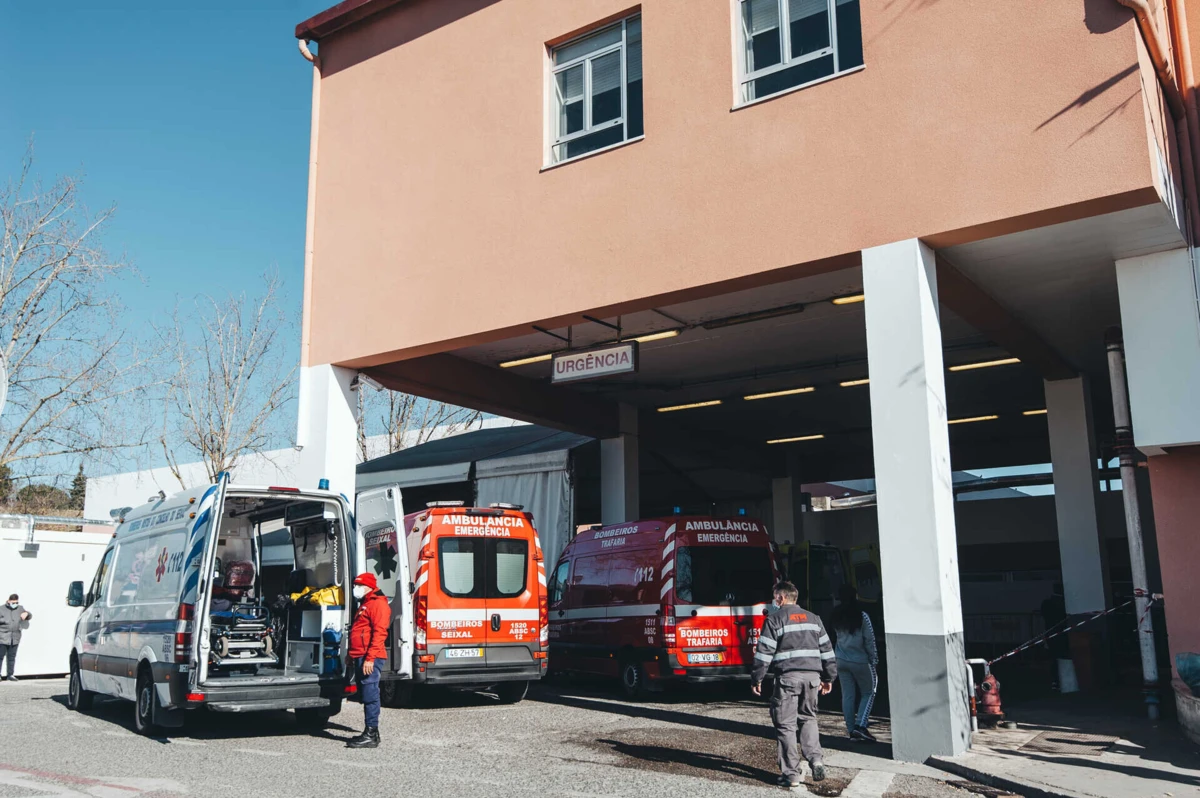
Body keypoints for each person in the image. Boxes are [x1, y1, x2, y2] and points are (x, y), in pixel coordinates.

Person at [751, 581, 836, 789]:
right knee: (808, 718)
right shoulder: (814, 619)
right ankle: (816, 759)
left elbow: (764, 653)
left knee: (786, 725)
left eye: (775, 597)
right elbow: (827, 651)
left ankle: (792, 775)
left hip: (787, 679)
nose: (774, 601)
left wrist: (757, 678)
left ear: (781, 598)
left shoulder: (774, 620)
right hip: (812, 678)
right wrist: (829, 677)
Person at [346, 573, 390, 749]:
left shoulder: (377, 604)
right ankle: (371, 732)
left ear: (368, 586)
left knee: (370, 693)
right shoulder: (366, 603)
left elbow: (380, 633)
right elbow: (359, 631)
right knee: (365, 693)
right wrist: (351, 654)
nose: (355, 588)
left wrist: (370, 658)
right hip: (360, 655)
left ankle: (371, 733)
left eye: (358, 585)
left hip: (370, 656)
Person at [830, 584, 878, 742]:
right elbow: (869, 639)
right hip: (860, 660)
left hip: (841, 660)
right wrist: (874, 659)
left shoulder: (836, 616)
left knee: (848, 695)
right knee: (869, 691)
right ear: (855, 597)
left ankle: (851, 730)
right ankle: (860, 726)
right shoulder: (862, 616)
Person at [0, 594, 32, 681]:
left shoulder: (20, 608)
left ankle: (10, 675)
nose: (15, 604)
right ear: (8, 601)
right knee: (0, 657)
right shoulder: (1, 609)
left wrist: (27, 613)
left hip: (15, 637)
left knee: (11, 657)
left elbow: (29, 616)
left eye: (16, 602)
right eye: (13, 602)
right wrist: (5, 621)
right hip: (2, 637)